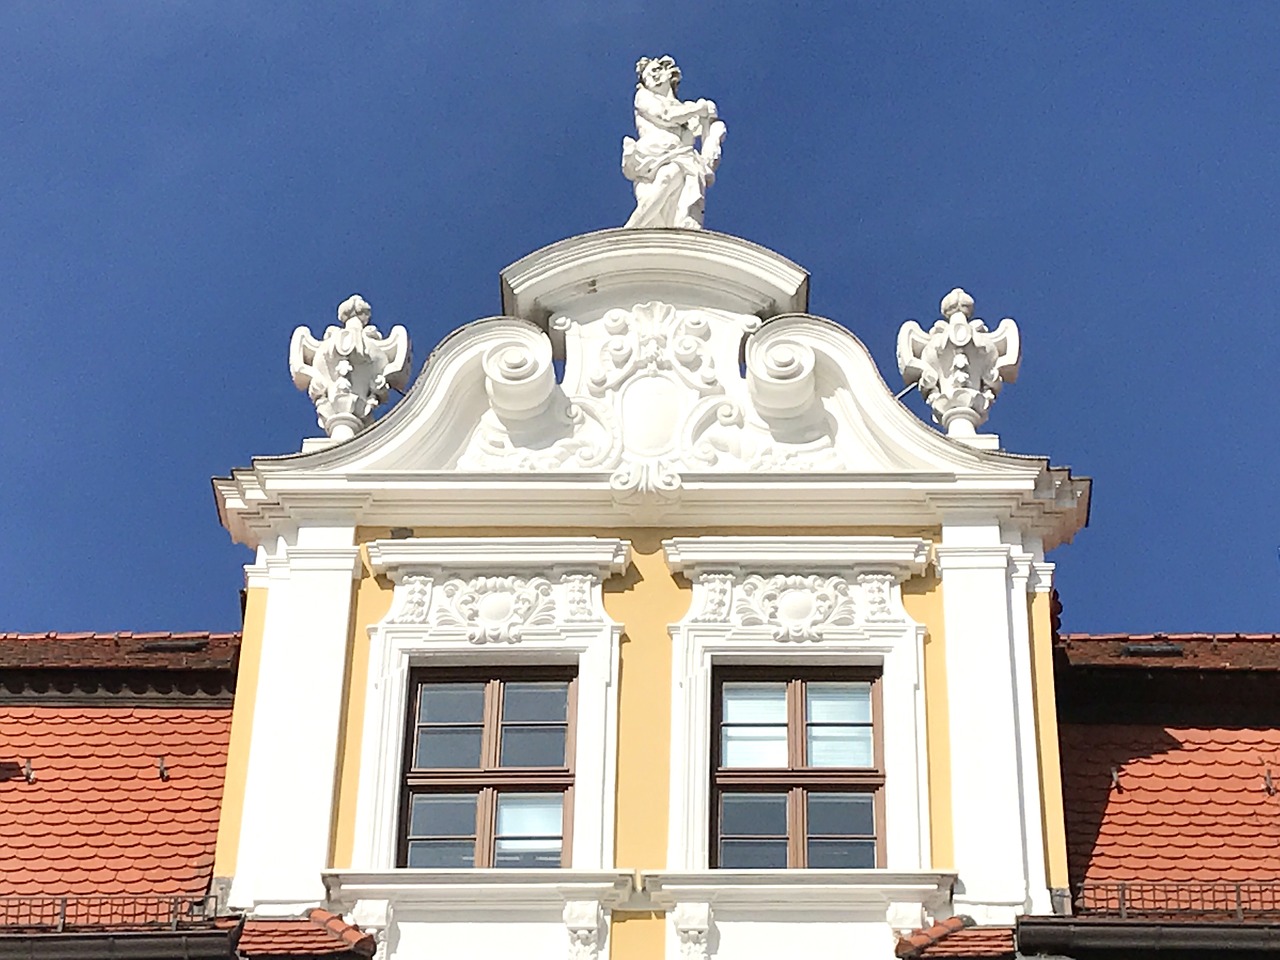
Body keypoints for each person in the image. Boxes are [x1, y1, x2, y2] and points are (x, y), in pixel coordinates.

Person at [622, 56, 727, 229]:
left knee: (680, 207)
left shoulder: (685, 109)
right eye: (648, 75)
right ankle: (631, 230)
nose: (654, 76)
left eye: (656, 70)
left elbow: (704, 146)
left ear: (669, 73)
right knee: (666, 179)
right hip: (652, 159)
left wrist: (711, 126)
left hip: (682, 157)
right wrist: (700, 108)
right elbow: (666, 115)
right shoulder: (643, 96)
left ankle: (684, 231)